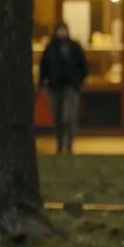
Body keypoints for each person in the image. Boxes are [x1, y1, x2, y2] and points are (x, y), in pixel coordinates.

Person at [37, 21, 89, 155]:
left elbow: (83, 66)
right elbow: (44, 67)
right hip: (54, 87)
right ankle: (60, 145)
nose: (62, 33)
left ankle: (69, 145)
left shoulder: (74, 47)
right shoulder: (50, 48)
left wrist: (78, 81)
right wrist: (42, 84)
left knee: (68, 117)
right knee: (57, 117)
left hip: (71, 87)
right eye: (60, 30)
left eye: (64, 30)